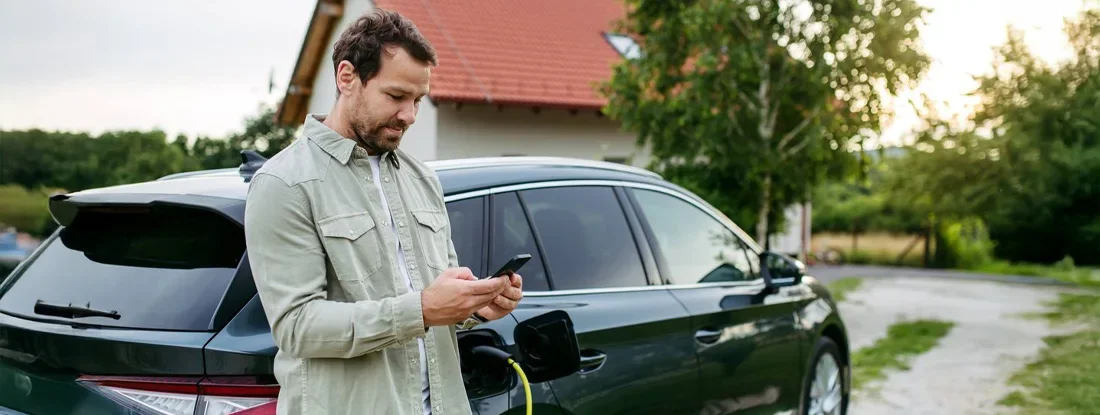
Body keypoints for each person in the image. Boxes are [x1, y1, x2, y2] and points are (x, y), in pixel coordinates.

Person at [243, 9, 523, 415]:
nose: (409, 114)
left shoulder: (421, 178)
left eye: (418, 100)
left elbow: (435, 293)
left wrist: (474, 307)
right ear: (346, 77)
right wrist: (422, 309)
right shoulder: (283, 184)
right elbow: (297, 327)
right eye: (395, 96)